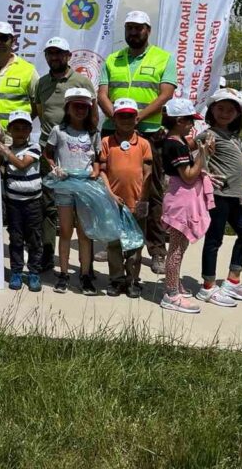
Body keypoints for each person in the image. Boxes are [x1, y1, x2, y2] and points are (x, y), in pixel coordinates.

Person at [96, 10, 176, 275]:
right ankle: (110, 241)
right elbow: (103, 95)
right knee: (108, 189)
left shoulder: (162, 58)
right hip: (113, 131)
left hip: (149, 131)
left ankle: (156, 250)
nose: (133, 32)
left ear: (148, 31)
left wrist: (139, 116)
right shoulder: (112, 59)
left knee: (151, 193)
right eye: (129, 28)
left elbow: (166, 94)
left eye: (138, 28)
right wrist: (117, 119)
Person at [34, 37, 96, 270]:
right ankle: (48, 255)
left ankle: (85, 266)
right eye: (50, 53)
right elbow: (41, 113)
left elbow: (93, 116)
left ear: (68, 56)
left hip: (78, 155)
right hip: (49, 152)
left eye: (59, 53)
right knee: (48, 206)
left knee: (80, 210)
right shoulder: (41, 83)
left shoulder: (81, 81)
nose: (54, 57)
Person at [196, 88, 242, 306]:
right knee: (214, 239)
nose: (225, 113)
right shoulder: (209, 134)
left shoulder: (232, 136)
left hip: (232, 196)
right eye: (220, 108)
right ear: (211, 110)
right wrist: (206, 173)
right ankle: (208, 286)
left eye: (231, 109)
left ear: (238, 114)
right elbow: (193, 155)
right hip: (219, 195)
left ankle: (232, 279)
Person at [159, 98, 214, 314]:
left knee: (180, 247)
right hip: (180, 200)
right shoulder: (176, 145)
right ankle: (171, 293)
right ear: (179, 121)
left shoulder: (176, 142)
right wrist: (203, 153)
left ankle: (174, 285)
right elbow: (189, 176)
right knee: (176, 250)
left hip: (181, 198)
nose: (193, 125)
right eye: (190, 121)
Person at [45, 87, 102, 295]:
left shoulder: (93, 133)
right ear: (67, 108)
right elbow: (48, 152)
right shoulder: (58, 131)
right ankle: (64, 273)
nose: (80, 110)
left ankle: (85, 275)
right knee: (66, 231)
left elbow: (98, 159)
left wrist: (95, 172)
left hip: (85, 186)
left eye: (84, 107)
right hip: (65, 186)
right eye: (76, 106)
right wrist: (54, 167)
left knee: (85, 233)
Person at [100, 98, 153, 299]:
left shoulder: (144, 144)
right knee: (114, 244)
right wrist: (111, 195)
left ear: (136, 118)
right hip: (113, 204)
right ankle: (116, 279)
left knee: (135, 245)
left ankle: (132, 280)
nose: (126, 120)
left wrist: (143, 200)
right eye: (121, 116)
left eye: (130, 116)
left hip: (136, 203)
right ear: (114, 119)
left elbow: (148, 173)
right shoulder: (106, 143)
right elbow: (102, 171)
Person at [0, 111, 45, 292]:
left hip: (33, 202)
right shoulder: (6, 150)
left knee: (34, 239)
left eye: (24, 128)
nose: (20, 131)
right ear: (10, 130)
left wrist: (4, 150)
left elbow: (22, 165)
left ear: (30, 130)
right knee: (15, 238)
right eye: (16, 128)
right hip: (13, 202)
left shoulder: (35, 147)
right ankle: (16, 271)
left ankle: (34, 272)